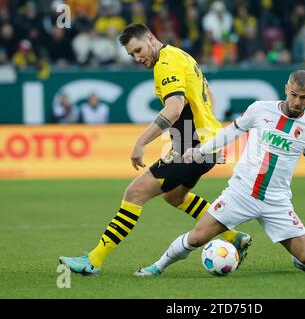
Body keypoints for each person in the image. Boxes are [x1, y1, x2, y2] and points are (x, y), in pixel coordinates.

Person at [59, 23, 251, 275]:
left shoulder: (166, 63)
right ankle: (232, 236)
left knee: (135, 192)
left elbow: (173, 109)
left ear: (150, 38)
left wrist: (140, 142)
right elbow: (209, 94)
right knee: (175, 197)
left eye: (138, 50)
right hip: (206, 146)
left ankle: (93, 260)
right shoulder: (181, 55)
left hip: (191, 149)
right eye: (132, 55)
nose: (137, 57)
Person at [135, 70, 305, 277]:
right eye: (293, 95)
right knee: (197, 238)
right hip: (241, 193)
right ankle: (156, 267)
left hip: (277, 200)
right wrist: (201, 151)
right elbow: (231, 132)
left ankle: (299, 259)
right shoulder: (260, 110)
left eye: (303, 98)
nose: (296, 102)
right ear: (286, 88)